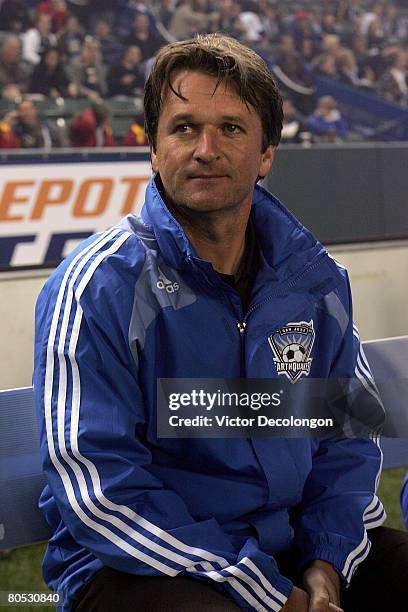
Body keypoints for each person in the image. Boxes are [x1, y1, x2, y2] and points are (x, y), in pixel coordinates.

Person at [33, 34, 408, 612]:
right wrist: (262, 591)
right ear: (154, 150)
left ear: (266, 153)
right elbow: (100, 494)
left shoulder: (317, 282)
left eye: (231, 128)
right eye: (183, 128)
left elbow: (344, 445)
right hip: (140, 563)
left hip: (291, 550)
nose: (205, 148)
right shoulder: (96, 288)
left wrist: (325, 566)